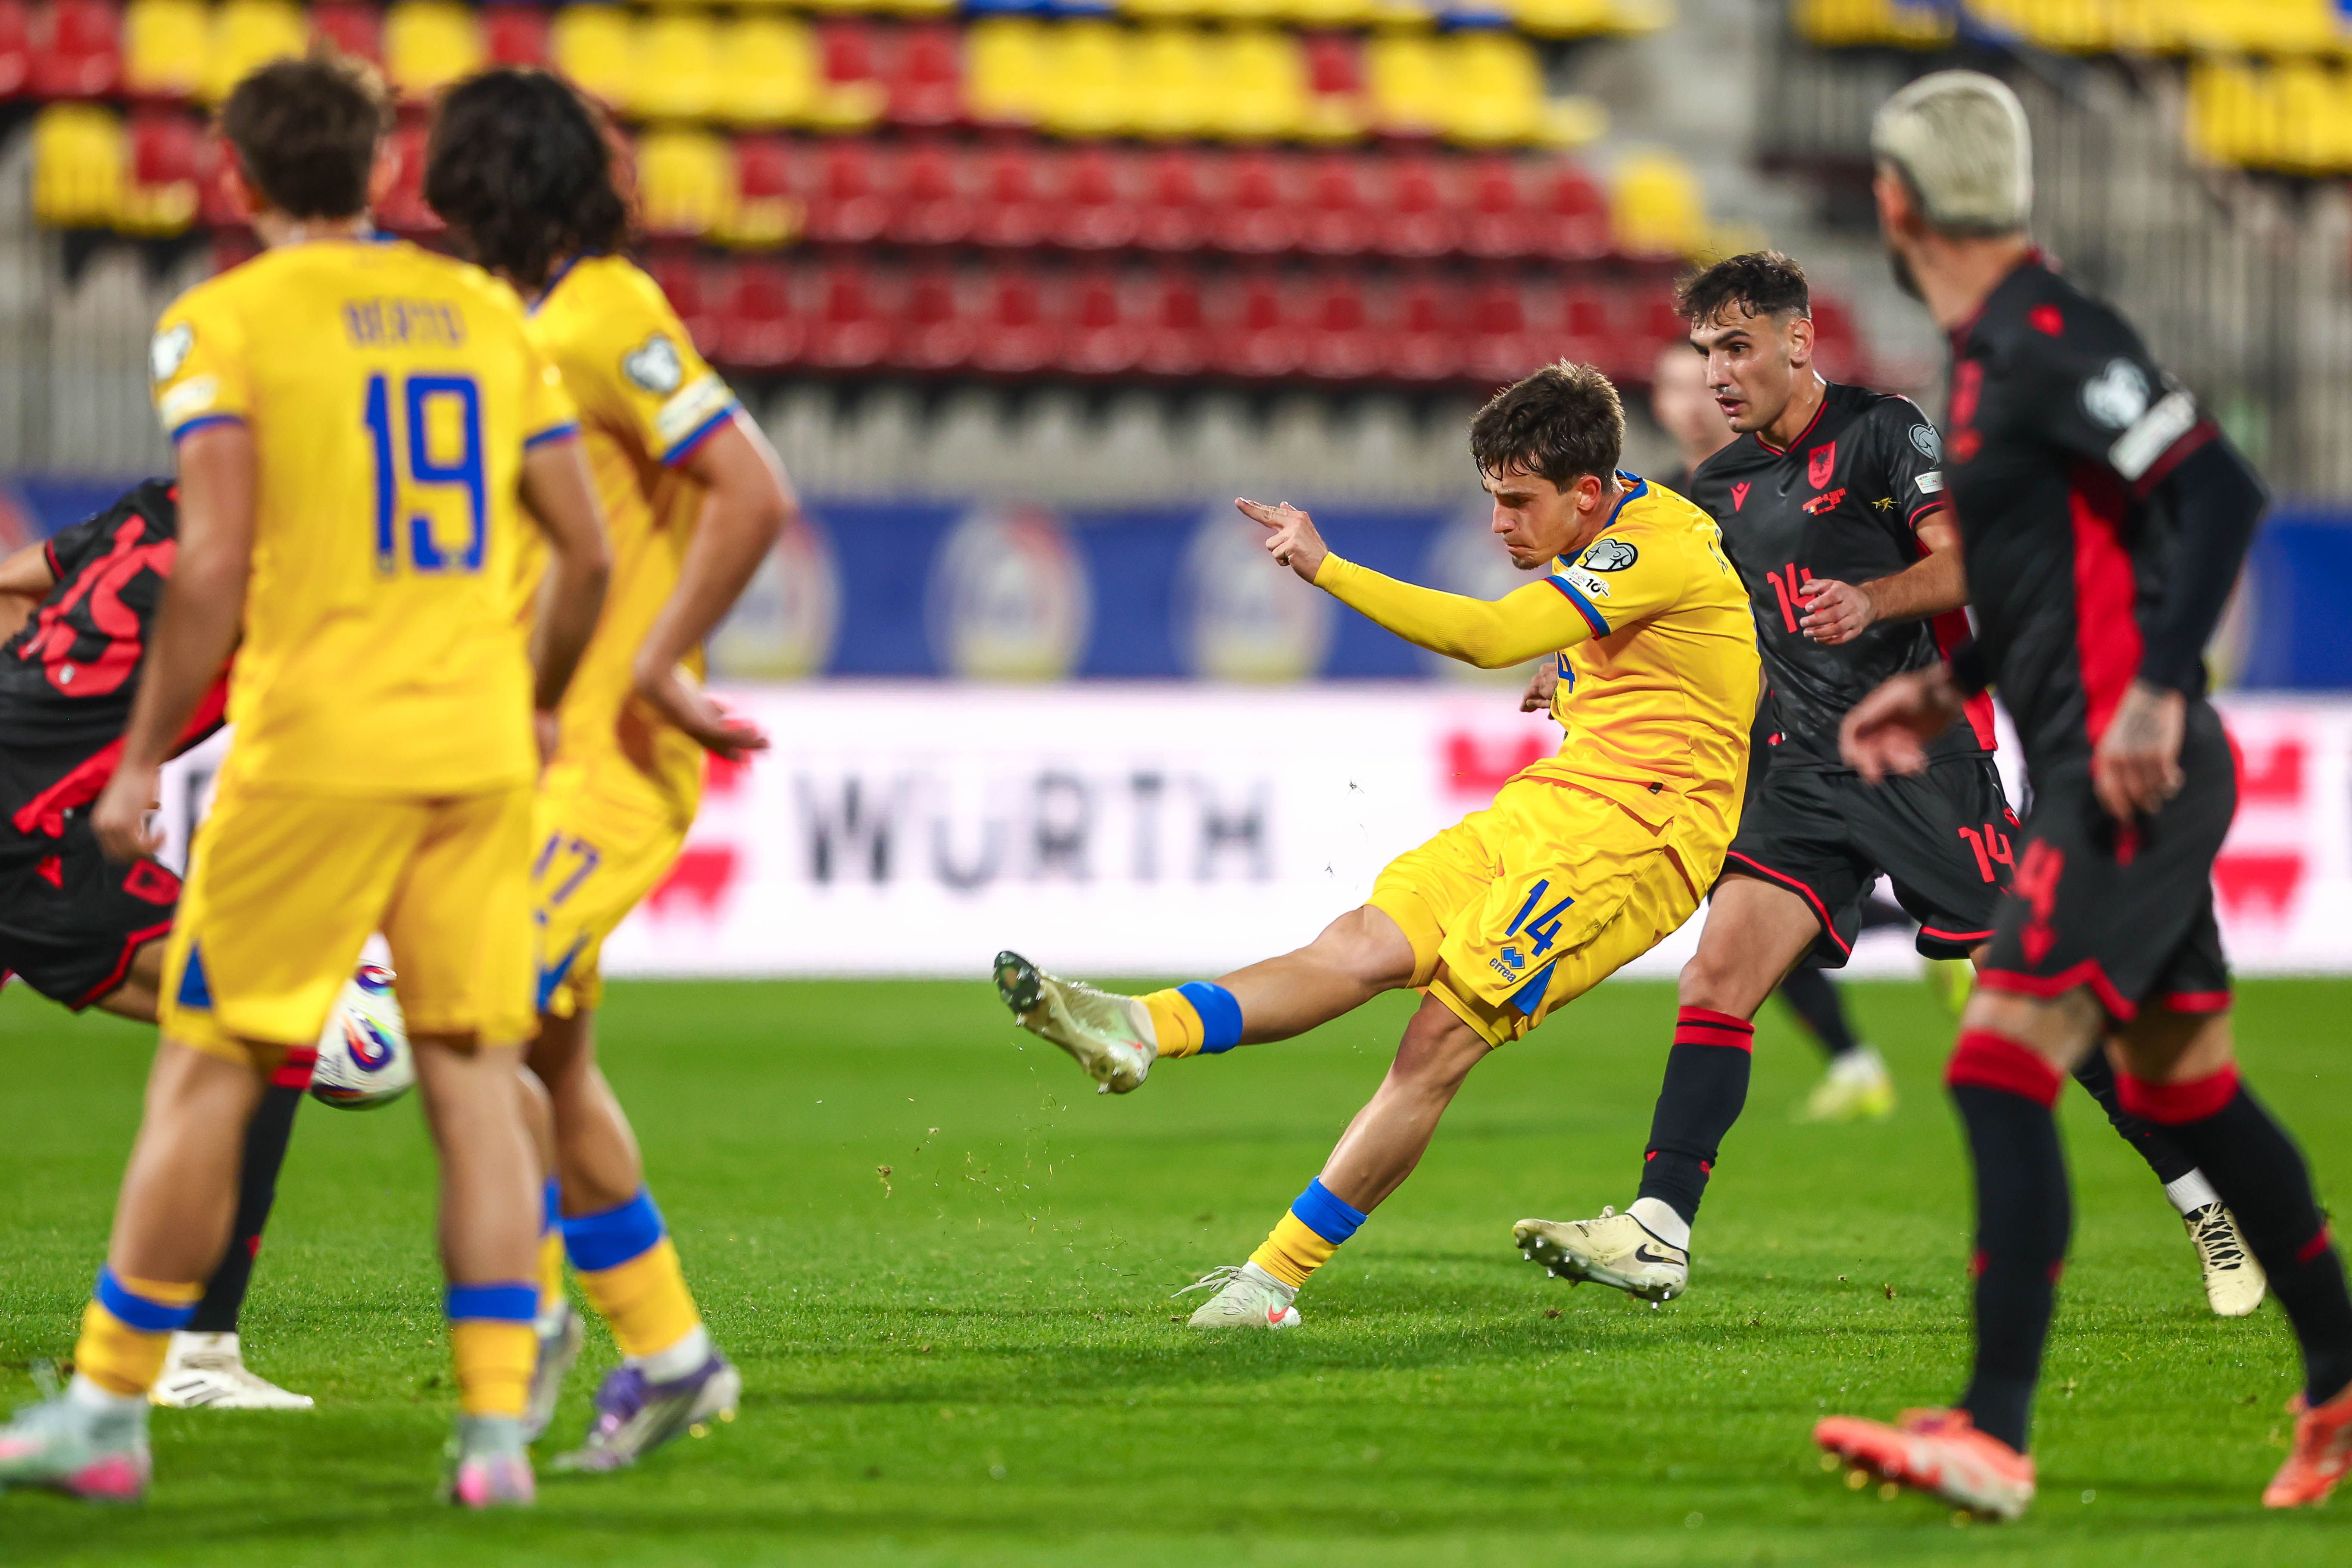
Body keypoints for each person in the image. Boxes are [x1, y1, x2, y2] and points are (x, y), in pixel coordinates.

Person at [0, 55, 609, 1506]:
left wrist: (138, 760)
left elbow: (213, 557)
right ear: (384, 169)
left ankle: (114, 1404)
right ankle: (495, 1437)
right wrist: (532, 706)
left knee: (219, 1065)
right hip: (469, 741)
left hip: (317, 741)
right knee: (471, 1080)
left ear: (240, 175)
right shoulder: (481, 313)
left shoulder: (227, 319)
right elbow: (584, 551)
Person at [1517, 252, 2260, 1319]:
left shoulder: (1882, 430)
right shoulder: (1715, 490)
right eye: (1704, 351)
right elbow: (1669, 615)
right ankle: (1657, 1229)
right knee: (1715, 978)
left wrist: (1872, 600)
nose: (1717, 373)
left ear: (1798, 340)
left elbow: (1966, 564)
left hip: (1922, 762)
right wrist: (1575, 664)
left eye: (1735, 346)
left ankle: (2207, 1201)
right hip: (1799, 773)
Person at [1815, 70, 2352, 1518]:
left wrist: (2158, 690)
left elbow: (2218, 490)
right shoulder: (1988, 354)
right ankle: (2340, 1382)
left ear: (1893, 202)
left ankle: (1992, 1433)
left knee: (1996, 1062)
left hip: (2127, 770)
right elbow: (2051, 567)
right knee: (2189, 1089)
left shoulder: (2046, 336)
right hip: (2092, 756)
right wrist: (1953, 683)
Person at [994, 362, 1757, 1329]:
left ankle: (1269, 1283)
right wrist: (1571, 676)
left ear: (1588, 492)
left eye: (1519, 502)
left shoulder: (1659, 544)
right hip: (1556, 802)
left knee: (1435, 1043)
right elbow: (1679, 666)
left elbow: (1490, 636)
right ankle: (1138, 1029)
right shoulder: (1614, 539)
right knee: (1360, 944)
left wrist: (1328, 568)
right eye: (1491, 498)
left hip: (1639, 839)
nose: (1499, 524)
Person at [424, 67, 796, 1469]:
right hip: (523, 754)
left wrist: (653, 662)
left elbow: (751, 490)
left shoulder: (609, 314)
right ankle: (674, 1359)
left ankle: (521, 1326)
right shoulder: (523, 326)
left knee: (469, 1034)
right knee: (553, 1069)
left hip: (605, 766)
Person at [0, 481, 316, 1411]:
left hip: (28, 811)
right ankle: (192, 1351)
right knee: (263, 1019)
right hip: (31, 840)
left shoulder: (155, 508)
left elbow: (12, 588)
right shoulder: (285, 563)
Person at [1652, 337, 1909, 1120]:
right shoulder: (1664, 501)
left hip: (1810, 718)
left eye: (1702, 382)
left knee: (1751, 889)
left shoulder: (1799, 476)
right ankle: (1871, 1021)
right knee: (1744, 900)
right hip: (1721, 730)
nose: (1693, 399)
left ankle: (1914, 938)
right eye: (1674, 387)